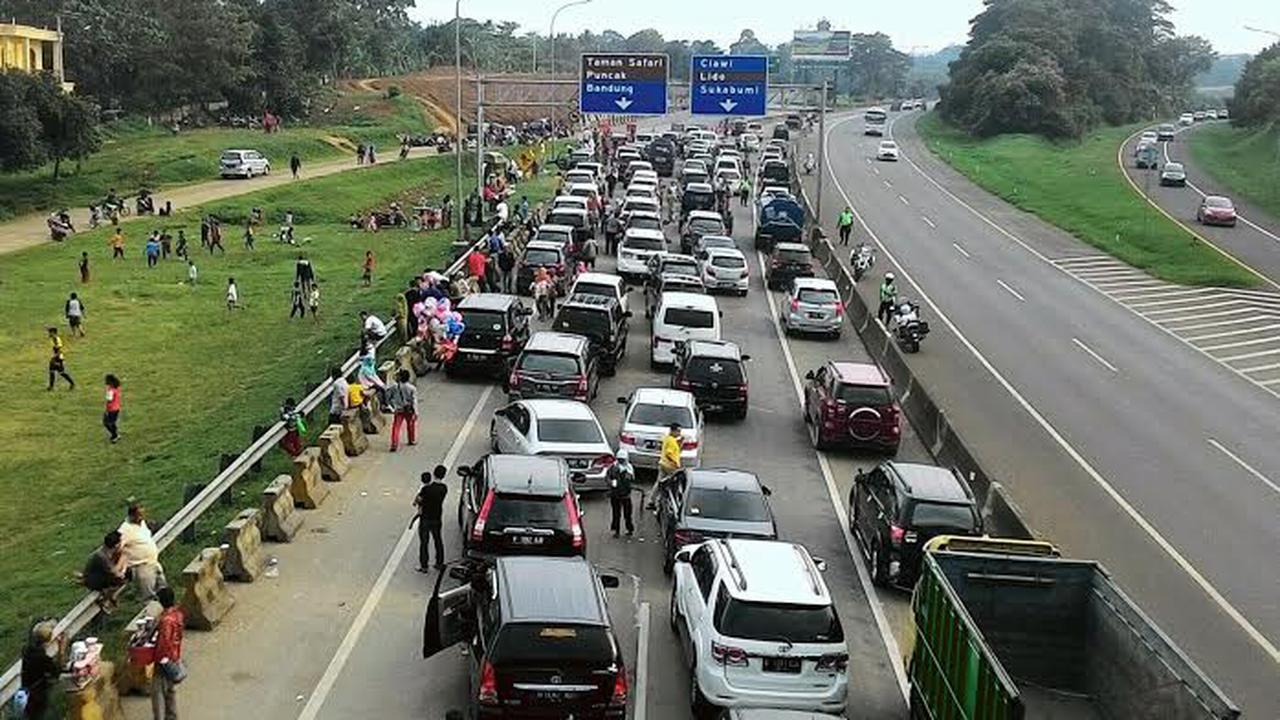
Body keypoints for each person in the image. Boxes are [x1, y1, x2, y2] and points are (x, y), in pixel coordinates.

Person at [151, 586, 185, 720]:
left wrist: (157, 658)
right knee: (170, 691)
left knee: (158, 694)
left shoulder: (166, 621)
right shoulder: (177, 615)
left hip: (164, 661)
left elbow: (164, 644)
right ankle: (172, 716)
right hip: (175, 657)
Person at [20, 620, 64, 720]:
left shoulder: (27, 650)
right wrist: (61, 649)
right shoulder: (42, 658)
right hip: (40, 694)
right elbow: (57, 672)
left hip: (30, 691)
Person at [119, 501, 165, 598]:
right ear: (131, 516)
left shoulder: (141, 523)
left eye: (142, 515)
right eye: (138, 515)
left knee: (164, 591)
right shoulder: (125, 530)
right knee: (149, 597)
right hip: (142, 567)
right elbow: (117, 548)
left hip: (154, 563)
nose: (141, 518)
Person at [82, 530, 128, 612]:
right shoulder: (102, 557)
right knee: (121, 579)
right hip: (94, 581)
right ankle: (107, 599)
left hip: (100, 575)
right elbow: (116, 573)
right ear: (116, 545)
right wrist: (123, 561)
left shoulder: (106, 552)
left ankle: (109, 597)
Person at [413, 465, 448, 571]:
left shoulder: (426, 489)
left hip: (425, 518)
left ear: (434, 473)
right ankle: (439, 562)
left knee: (424, 542)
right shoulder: (444, 488)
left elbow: (418, 500)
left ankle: (424, 565)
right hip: (437, 517)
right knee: (438, 540)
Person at [650, 423, 683, 510]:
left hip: (663, 464)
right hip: (670, 466)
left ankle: (652, 500)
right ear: (673, 431)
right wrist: (675, 463)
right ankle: (669, 502)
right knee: (672, 485)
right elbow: (669, 453)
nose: (679, 433)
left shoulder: (668, 439)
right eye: (678, 431)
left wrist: (680, 444)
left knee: (659, 482)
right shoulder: (671, 441)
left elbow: (674, 450)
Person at [386, 369, 418, 451]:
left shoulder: (394, 387)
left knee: (396, 427)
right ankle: (411, 439)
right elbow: (414, 400)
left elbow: (388, 397)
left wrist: (392, 406)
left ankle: (394, 443)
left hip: (398, 409)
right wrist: (416, 412)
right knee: (411, 425)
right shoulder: (412, 388)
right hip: (409, 409)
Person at [608, 448, 635, 538]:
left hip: (626, 495)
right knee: (616, 514)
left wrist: (624, 474)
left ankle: (629, 529)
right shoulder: (613, 467)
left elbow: (630, 479)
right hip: (615, 495)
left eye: (622, 460)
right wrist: (611, 483)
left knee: (627, 514)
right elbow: (608, 477)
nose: (621, 461)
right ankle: (617, 530)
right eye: (619, 459)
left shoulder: (629, 468)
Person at [103, 374, 121, 442]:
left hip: (111, 409)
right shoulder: (117, 388)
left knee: (107, 423)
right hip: (117, 408)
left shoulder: (110, 390)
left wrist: (107, 410)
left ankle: (115, 435)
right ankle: (115, 434)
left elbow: (109, 400)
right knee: (112, 422)